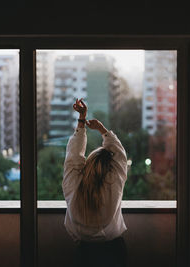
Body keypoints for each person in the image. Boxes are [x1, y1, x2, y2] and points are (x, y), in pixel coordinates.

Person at [62, 98, 128, 267]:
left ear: (88, 164)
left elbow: (73, 158)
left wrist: (81, 120)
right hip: (115, 252)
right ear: (111, 169)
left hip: (85, 254)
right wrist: (102, 130)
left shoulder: (74, 186)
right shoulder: (114, 183)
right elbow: (120, 155)